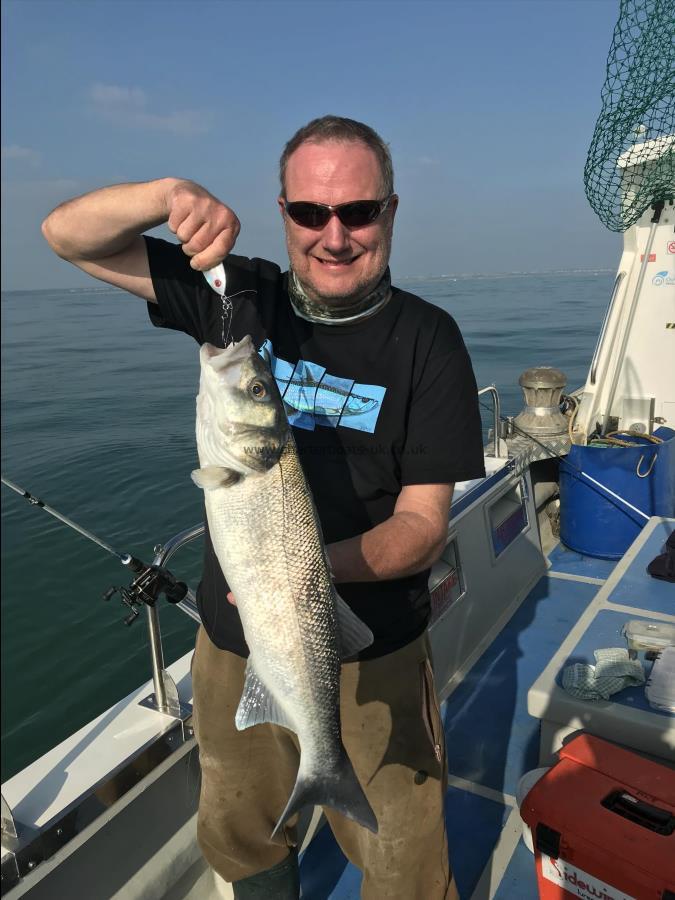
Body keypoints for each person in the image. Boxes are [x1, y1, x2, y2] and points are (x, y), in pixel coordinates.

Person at [42, 116, 485, 900]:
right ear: (283, 211)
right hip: (233, 643)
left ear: (389, 210)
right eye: (310, 213)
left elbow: (420, 526)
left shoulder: (429, 340)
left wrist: (302, 582)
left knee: (403, 861)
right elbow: (67, 236)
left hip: (371, 646)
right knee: (240, 829)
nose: (334, 234)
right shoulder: (235, 295)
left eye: (358, 211)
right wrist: (165, 194)